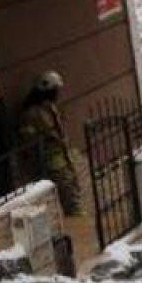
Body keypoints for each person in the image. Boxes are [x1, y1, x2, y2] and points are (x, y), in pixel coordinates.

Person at [18, 71, 83, 216]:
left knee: (73, 188)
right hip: (49, 159)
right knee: (68, 194)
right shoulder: (31, 114)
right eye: (55, 90)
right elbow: (29, 142)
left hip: (62, 155)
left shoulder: (50, 108)